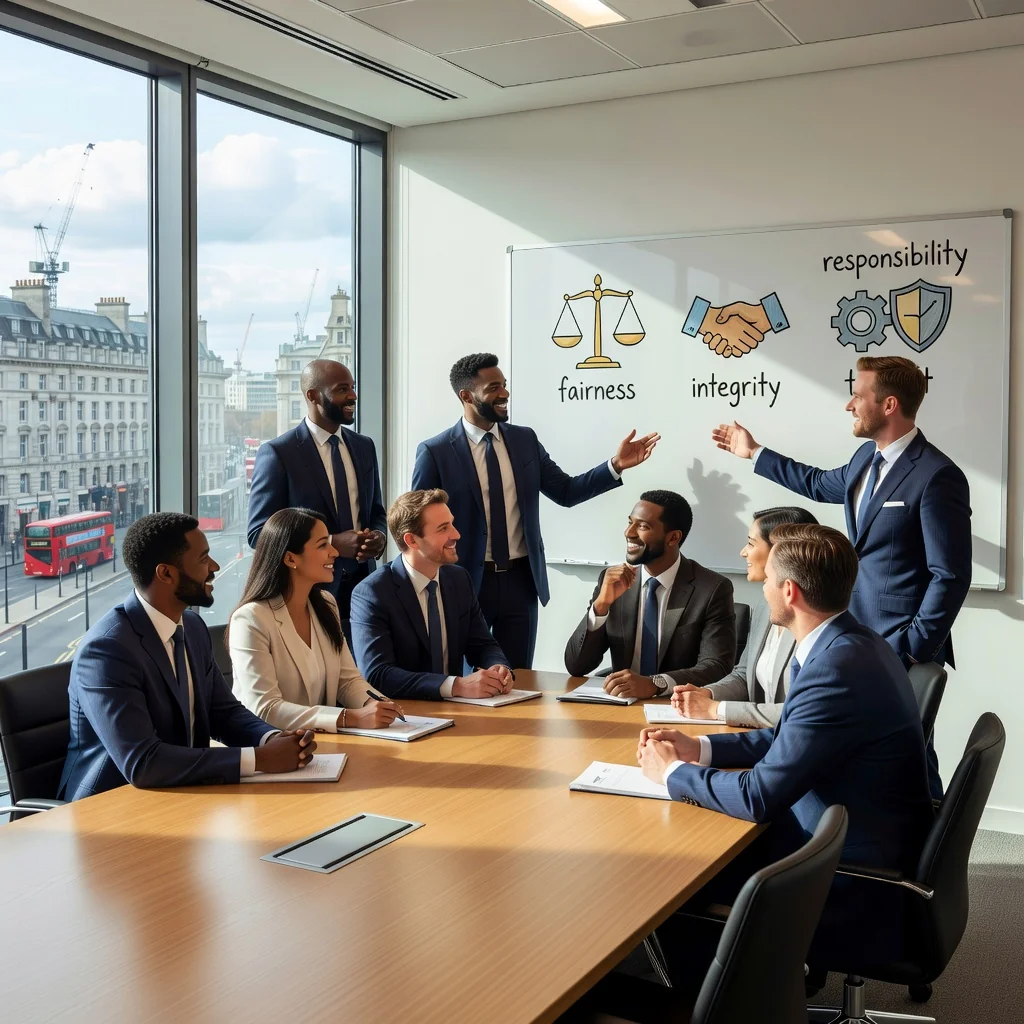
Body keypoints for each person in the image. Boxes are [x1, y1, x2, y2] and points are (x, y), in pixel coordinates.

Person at [637, 523, 933, 962]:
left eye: (770, 580)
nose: (764, 589)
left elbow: (759, 796)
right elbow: (787, 735)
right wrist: (698, 749)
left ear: (790, 591)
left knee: (670, 879)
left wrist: (671, 773)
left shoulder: (835, 668)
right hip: (856, 834)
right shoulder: (853, 642)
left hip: (846, 873)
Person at [713, 355, 970, 795]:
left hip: (901, 644)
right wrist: (754, 452)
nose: (848, 405)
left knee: (909, 750)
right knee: (865, 752)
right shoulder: (863, 461)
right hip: (858, 635)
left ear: (889, 405)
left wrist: (909, 648)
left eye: (858, 395)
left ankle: (929, 840)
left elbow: (950, 575)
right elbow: (815, 482)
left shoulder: (937, 475)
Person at [411, 352, 659, 670]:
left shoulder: (524, 440)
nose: (504, 393)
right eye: (493, 387)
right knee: (462, 678)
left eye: (504, 384)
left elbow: (566, 492)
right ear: (467, 396)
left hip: (520, 582)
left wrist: (615, 466)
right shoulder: (436, 451)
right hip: (464, 581)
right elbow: (419, 521)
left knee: (516, 678)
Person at [58, 513, 315, 801]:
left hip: (182, 792)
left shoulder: (192, 627)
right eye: (204, 559)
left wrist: (272, 739)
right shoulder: (108, 650)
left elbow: (224, 712)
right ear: (166, 574)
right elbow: (144, 763)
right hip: (109, 807)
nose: (215, 567)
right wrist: (259, 759)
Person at [247, 359, 387, 643]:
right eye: (342, 389)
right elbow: (259, 534)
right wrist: (333, 543)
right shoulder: (278, 453)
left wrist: (379, 537)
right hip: (306, 595)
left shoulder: (364, 446)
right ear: (312, 395)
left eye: (353, 388)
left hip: (364, 588)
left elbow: (375, 511)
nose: (353, 396)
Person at [228, 507, 402, 732]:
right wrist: (350, 718)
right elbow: (265, 708)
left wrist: (378, 705)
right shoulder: (251, 619)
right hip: (270, 749)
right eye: (322, 545)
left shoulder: (326, 603)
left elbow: (347, 681)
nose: (335, 552)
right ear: (290, 558)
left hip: (319, 745)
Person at [563, 491, 735, 698]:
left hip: (676, 705)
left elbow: (717, 666)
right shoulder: (612, 582)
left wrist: (655, 684)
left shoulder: (712, 589)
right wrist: (601, 605)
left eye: (643, 526)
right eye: (630, 522)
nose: (629, 532)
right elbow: (576, 666)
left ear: (673, 538)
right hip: (623, 705)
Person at [350, 489, 513, 701]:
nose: (456, 534)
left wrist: (498, 667)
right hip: (405, 716)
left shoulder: (459, 579)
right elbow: (378, 674)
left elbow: (482, 644)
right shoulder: (372, 593)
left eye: (452, 524)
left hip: (457, 711)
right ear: (412, 540)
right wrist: (456, 686)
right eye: (443, 528)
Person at [672, 505, 818, 728]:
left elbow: (804, 712)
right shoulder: (764, 605)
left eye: (751, 543)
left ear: (780, 551)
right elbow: (743, 676)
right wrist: (707, 694)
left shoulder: (815, 616)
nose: (743, 552)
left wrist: (716, 709)